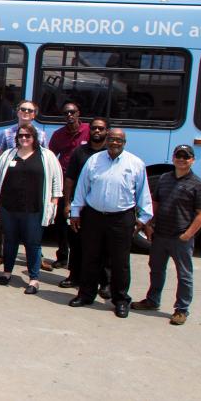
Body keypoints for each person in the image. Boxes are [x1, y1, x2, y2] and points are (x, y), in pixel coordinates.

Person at [68, 128, 154, 318]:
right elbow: (82, 187)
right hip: (94, 216)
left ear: (124, 142)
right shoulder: (94, 160)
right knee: (90, 257)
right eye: (112, 139)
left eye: (119, 140)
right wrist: (75, 212)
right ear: (106, 140)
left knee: (120, 262)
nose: (114, 143)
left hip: (121, 218)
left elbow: (143, 193)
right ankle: (86, 295)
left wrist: (143, 218)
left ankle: (121, 300)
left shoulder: (135, 163)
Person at [132, 145, 201, 326]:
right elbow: (156, 203)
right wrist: (149, 224)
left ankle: (181, 309)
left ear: (192, 160)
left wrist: (188, 234)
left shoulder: (199, 184)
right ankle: (152, 300)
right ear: (173, 158)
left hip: (180, 238)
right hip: (160, 235)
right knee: (156, 269)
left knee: (184, 275)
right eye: (178, 156)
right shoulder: (165, 178)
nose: (181, 159)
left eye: (186, 156)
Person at [0, 123, 63, 295]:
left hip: (34, 209)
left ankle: (34, 279)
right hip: (9, 208)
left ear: (34, 138)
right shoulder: (8, 155)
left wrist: (54, 201)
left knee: (33, 244)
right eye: (21, 136)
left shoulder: (46, 156)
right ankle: (7, 272)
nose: (23, 138)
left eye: (27, 136)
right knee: (10, 242)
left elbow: (56, 181)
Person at [58, 117, 110, 289]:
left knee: (103, 247)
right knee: (76, 242)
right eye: (94, 128)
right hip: (80, 205)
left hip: (101, 208)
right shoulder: (79, 152)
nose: (97, 131)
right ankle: (74, 276)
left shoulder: (110, 152)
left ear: (106, 132)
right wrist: (67, 204)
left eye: (100, 129)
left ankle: (105, 283)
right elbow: (70, 179)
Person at [45, 100, 89, 270]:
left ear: (79, 113)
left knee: (82, 222)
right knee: (61, 222)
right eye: (66, 113)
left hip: (84, 184)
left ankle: (80, 259)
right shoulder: (58, 134)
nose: (69, 116)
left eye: (72, 112)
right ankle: (63, 256)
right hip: (64, 183)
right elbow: (50, 157)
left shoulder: (88, 131)